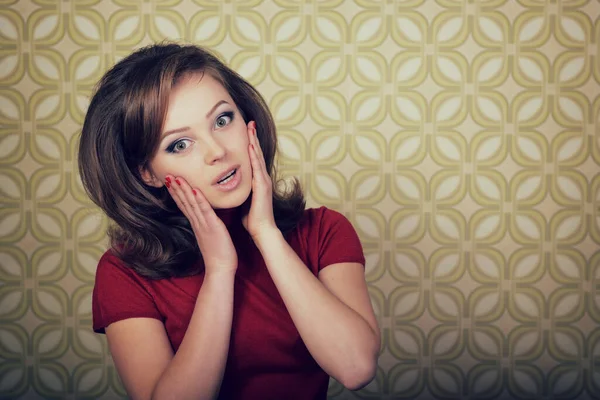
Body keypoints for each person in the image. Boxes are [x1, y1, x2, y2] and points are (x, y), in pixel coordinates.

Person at [78, 42, 380, 400]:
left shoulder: (323, 231)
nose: (217, 151)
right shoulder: (123, 272)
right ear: (147, 173)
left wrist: (266, 235)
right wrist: (220, 269)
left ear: (246, 118)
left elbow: (356, 367)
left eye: (222, 120)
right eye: (180, 144)